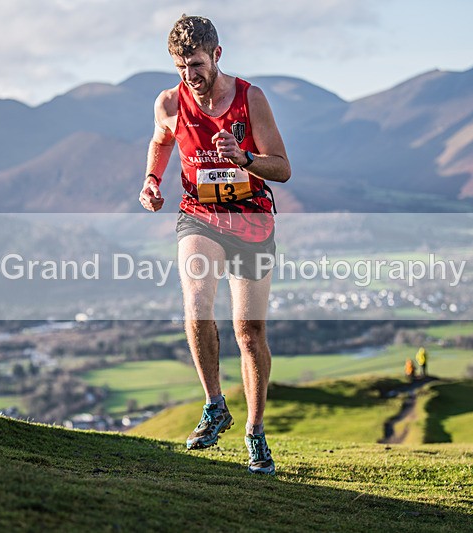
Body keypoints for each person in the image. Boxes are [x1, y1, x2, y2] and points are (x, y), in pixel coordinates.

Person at [139, 15, 290, 475]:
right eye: (182, 67)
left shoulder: (250, 99)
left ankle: (256, 432)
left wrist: (244, 158)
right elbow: (161, 140)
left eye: (198, 65)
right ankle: (214, 405)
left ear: (217, 56)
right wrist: (150, 181)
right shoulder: (169, 102)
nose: (191, 76)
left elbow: (282, 168)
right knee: (197, 303)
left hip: (252, 222)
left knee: (249, 332)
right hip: (199, 217)